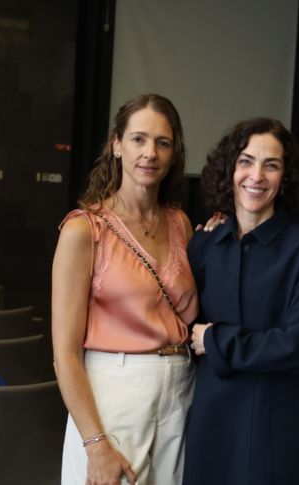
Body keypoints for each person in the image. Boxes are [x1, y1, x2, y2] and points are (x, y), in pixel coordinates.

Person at [52, 93, 198, 484]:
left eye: (162, 142)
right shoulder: (84, 230)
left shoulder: (180, 224)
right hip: (114, 389)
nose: (149, 153)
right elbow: (65, 355)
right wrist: (95, 443)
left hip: (181, 388)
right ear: (116, 144)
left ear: (173, 152)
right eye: (138, 139)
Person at [182, 118, 299, 485]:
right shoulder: (203, 246)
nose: (256, 175)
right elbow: (182, 326)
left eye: (272, 165)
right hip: (212, 418)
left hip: (276, 421)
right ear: (230, 170)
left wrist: (216, 340)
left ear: (285, 179)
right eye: (246, 161)